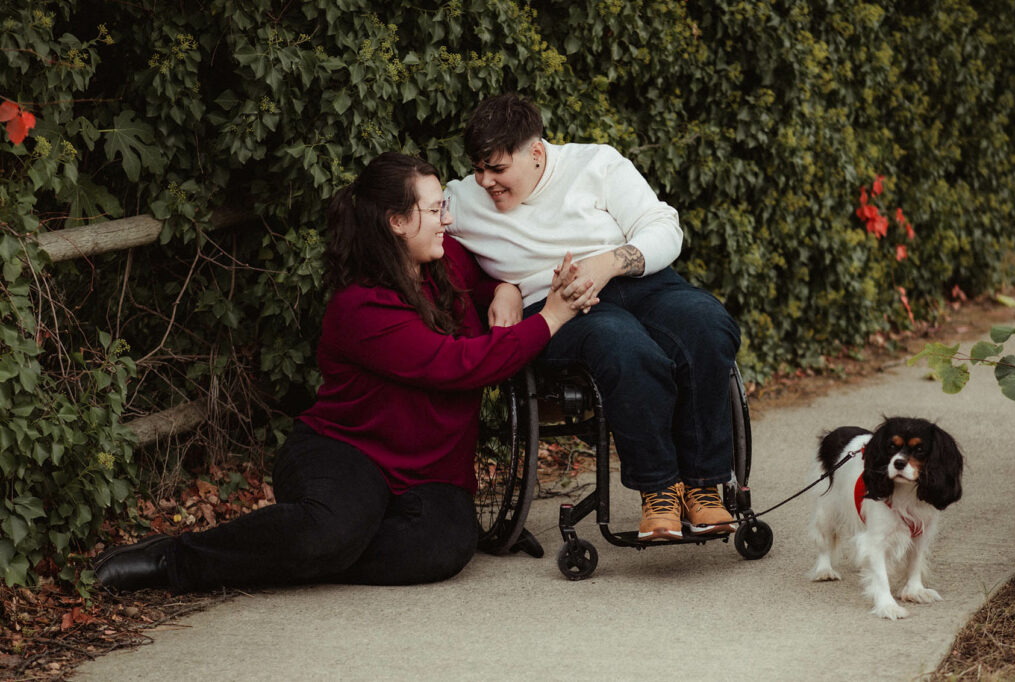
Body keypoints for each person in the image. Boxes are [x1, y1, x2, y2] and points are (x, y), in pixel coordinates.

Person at [94, 152, 597, 592]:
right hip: (347, 451)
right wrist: (550, 318)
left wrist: (507, 286)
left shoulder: (448, 264)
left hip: (431, 471)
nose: (446, 220)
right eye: (433, 209)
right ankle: (174, 558)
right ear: (397, 222)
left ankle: (305, 554)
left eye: (445, 206)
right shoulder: (361, 308)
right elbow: (458, 366)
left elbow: (493, 279)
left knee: (441, 550)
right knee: (331, 531)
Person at [445, 94, 742, 540]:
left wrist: (608, 263)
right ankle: (659, 489)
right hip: (558, 305)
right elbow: (441, 259)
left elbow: (663, 225)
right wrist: (503, 287)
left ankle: (703, 487)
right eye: (478, 167)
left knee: (707, 322)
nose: (486, 180)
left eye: (498, 168)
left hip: (638, 282)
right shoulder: (460, 200)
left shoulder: (596, 164)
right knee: (622, 345)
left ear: (537, 152)